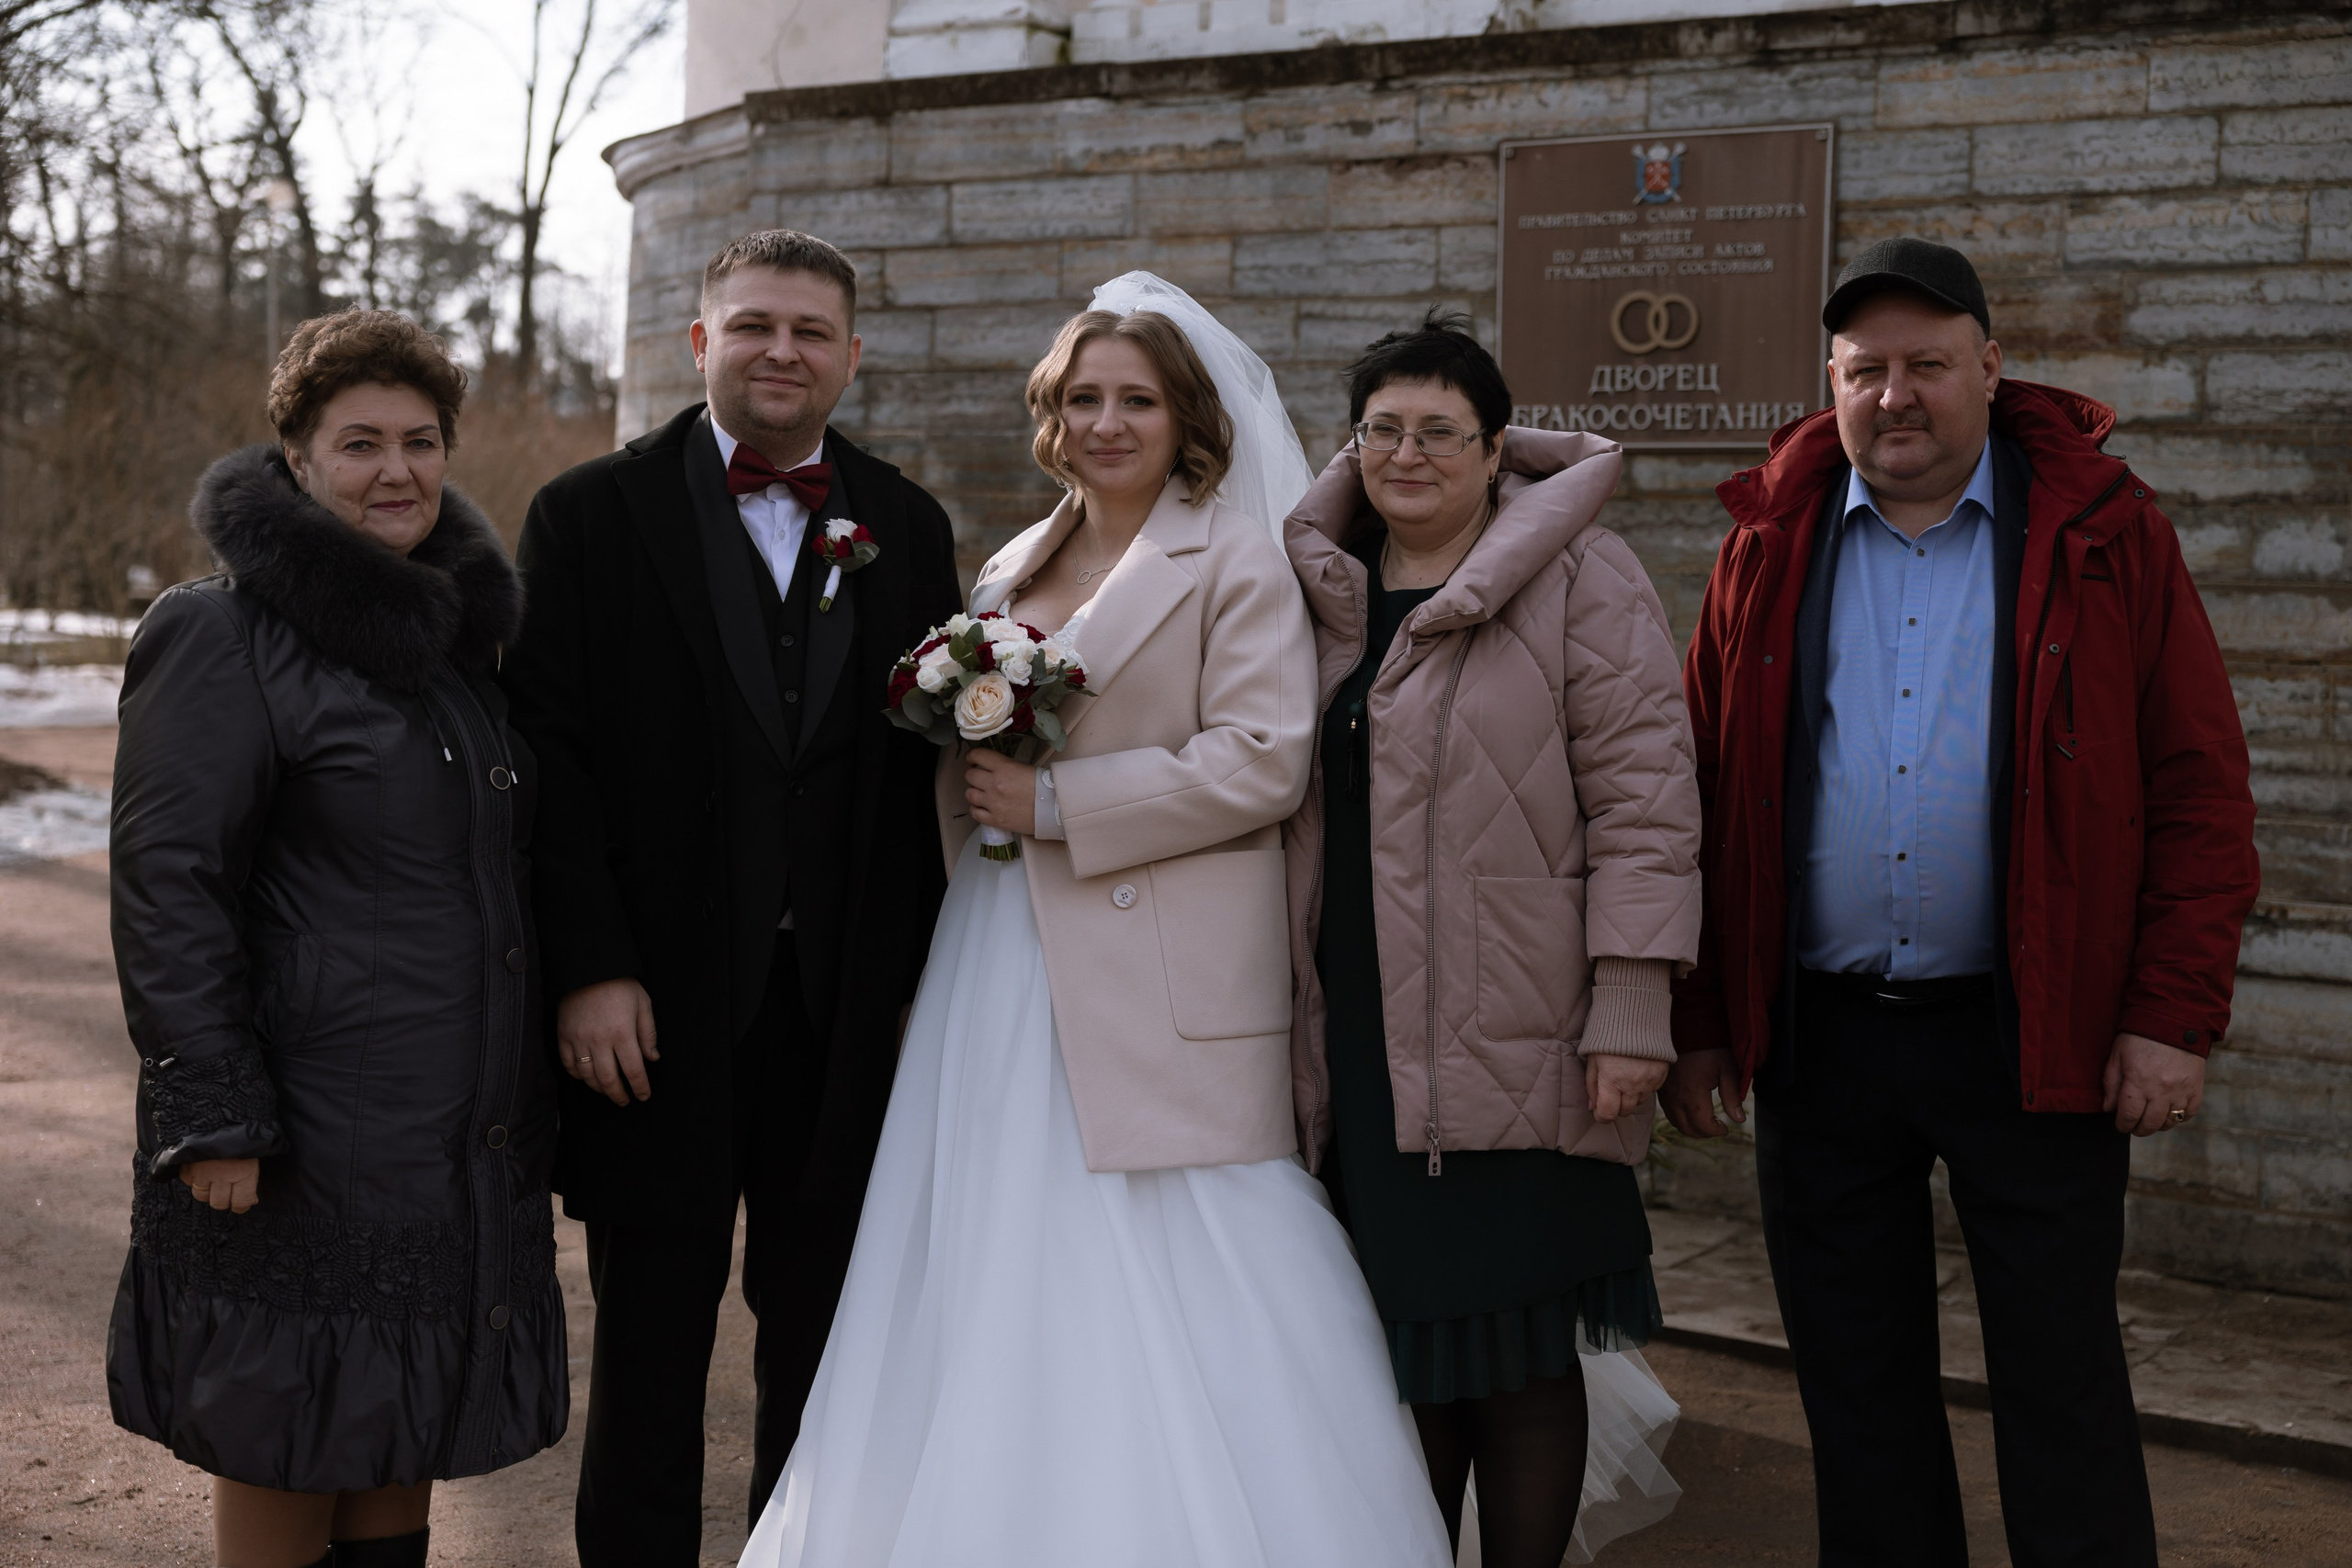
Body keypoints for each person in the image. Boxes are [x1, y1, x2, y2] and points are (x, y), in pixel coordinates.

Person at [739, 274, 1454, 1568]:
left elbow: (1263, 761)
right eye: (1084, 398)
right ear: (1051, 415)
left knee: (1194, 1252)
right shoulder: (1017, 556)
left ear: (1188, 421)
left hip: (1156, 971)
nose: (1108, 422)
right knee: (987, 1239)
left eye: (1136, 400)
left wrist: (1059, 801)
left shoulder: (1234, 556)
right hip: (1002, 953)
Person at [1664, 238, 2260, 1566]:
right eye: (1864, 370)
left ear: (1991, 369)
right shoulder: (1764, 545)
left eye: (1927, 364)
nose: (1895, 395)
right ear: (1831, 384)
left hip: (2031, 1033)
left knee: (2061, 1384)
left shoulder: (2108, 537)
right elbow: (1697, 793)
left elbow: (2200, 789)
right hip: (1823, 1041)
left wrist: (2171, 1015)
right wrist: (1702, 1012)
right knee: (1856, 1390)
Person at [498, 229, 962, 1567]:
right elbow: (552, 759)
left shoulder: (910, 523)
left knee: (825, 1348)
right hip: (652, 1014)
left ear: (851, 357)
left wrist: (911, 990)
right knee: (649, 1347)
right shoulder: (588, 515)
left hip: (842, 1019)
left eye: (812, 332)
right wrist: (590, 967)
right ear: (700, 344)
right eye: (754, 326)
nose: (783, 351)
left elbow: (924, 780)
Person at [107, 310, 559, 1568]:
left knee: (394, 1449)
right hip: (295, 1140)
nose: (397, 470)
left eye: (421, 441)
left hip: (443, 1138)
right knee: (286, 1438)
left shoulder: (456, 650)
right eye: (359, 442)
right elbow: (168, 886)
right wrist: (214, 1111)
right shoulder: (222, 632)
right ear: (296, 458)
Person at [1281, 311, 1695, 1568]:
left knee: (1513, 1361)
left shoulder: (1584, 575)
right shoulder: (1319, 589)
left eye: (1439, 431)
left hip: (1527, 1028)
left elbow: (1649, 802)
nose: (1408, 454)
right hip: (1360, 1031)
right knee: (1407, 1357)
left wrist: (1631, 1009)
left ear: (1496, 446)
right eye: (1383, 430)